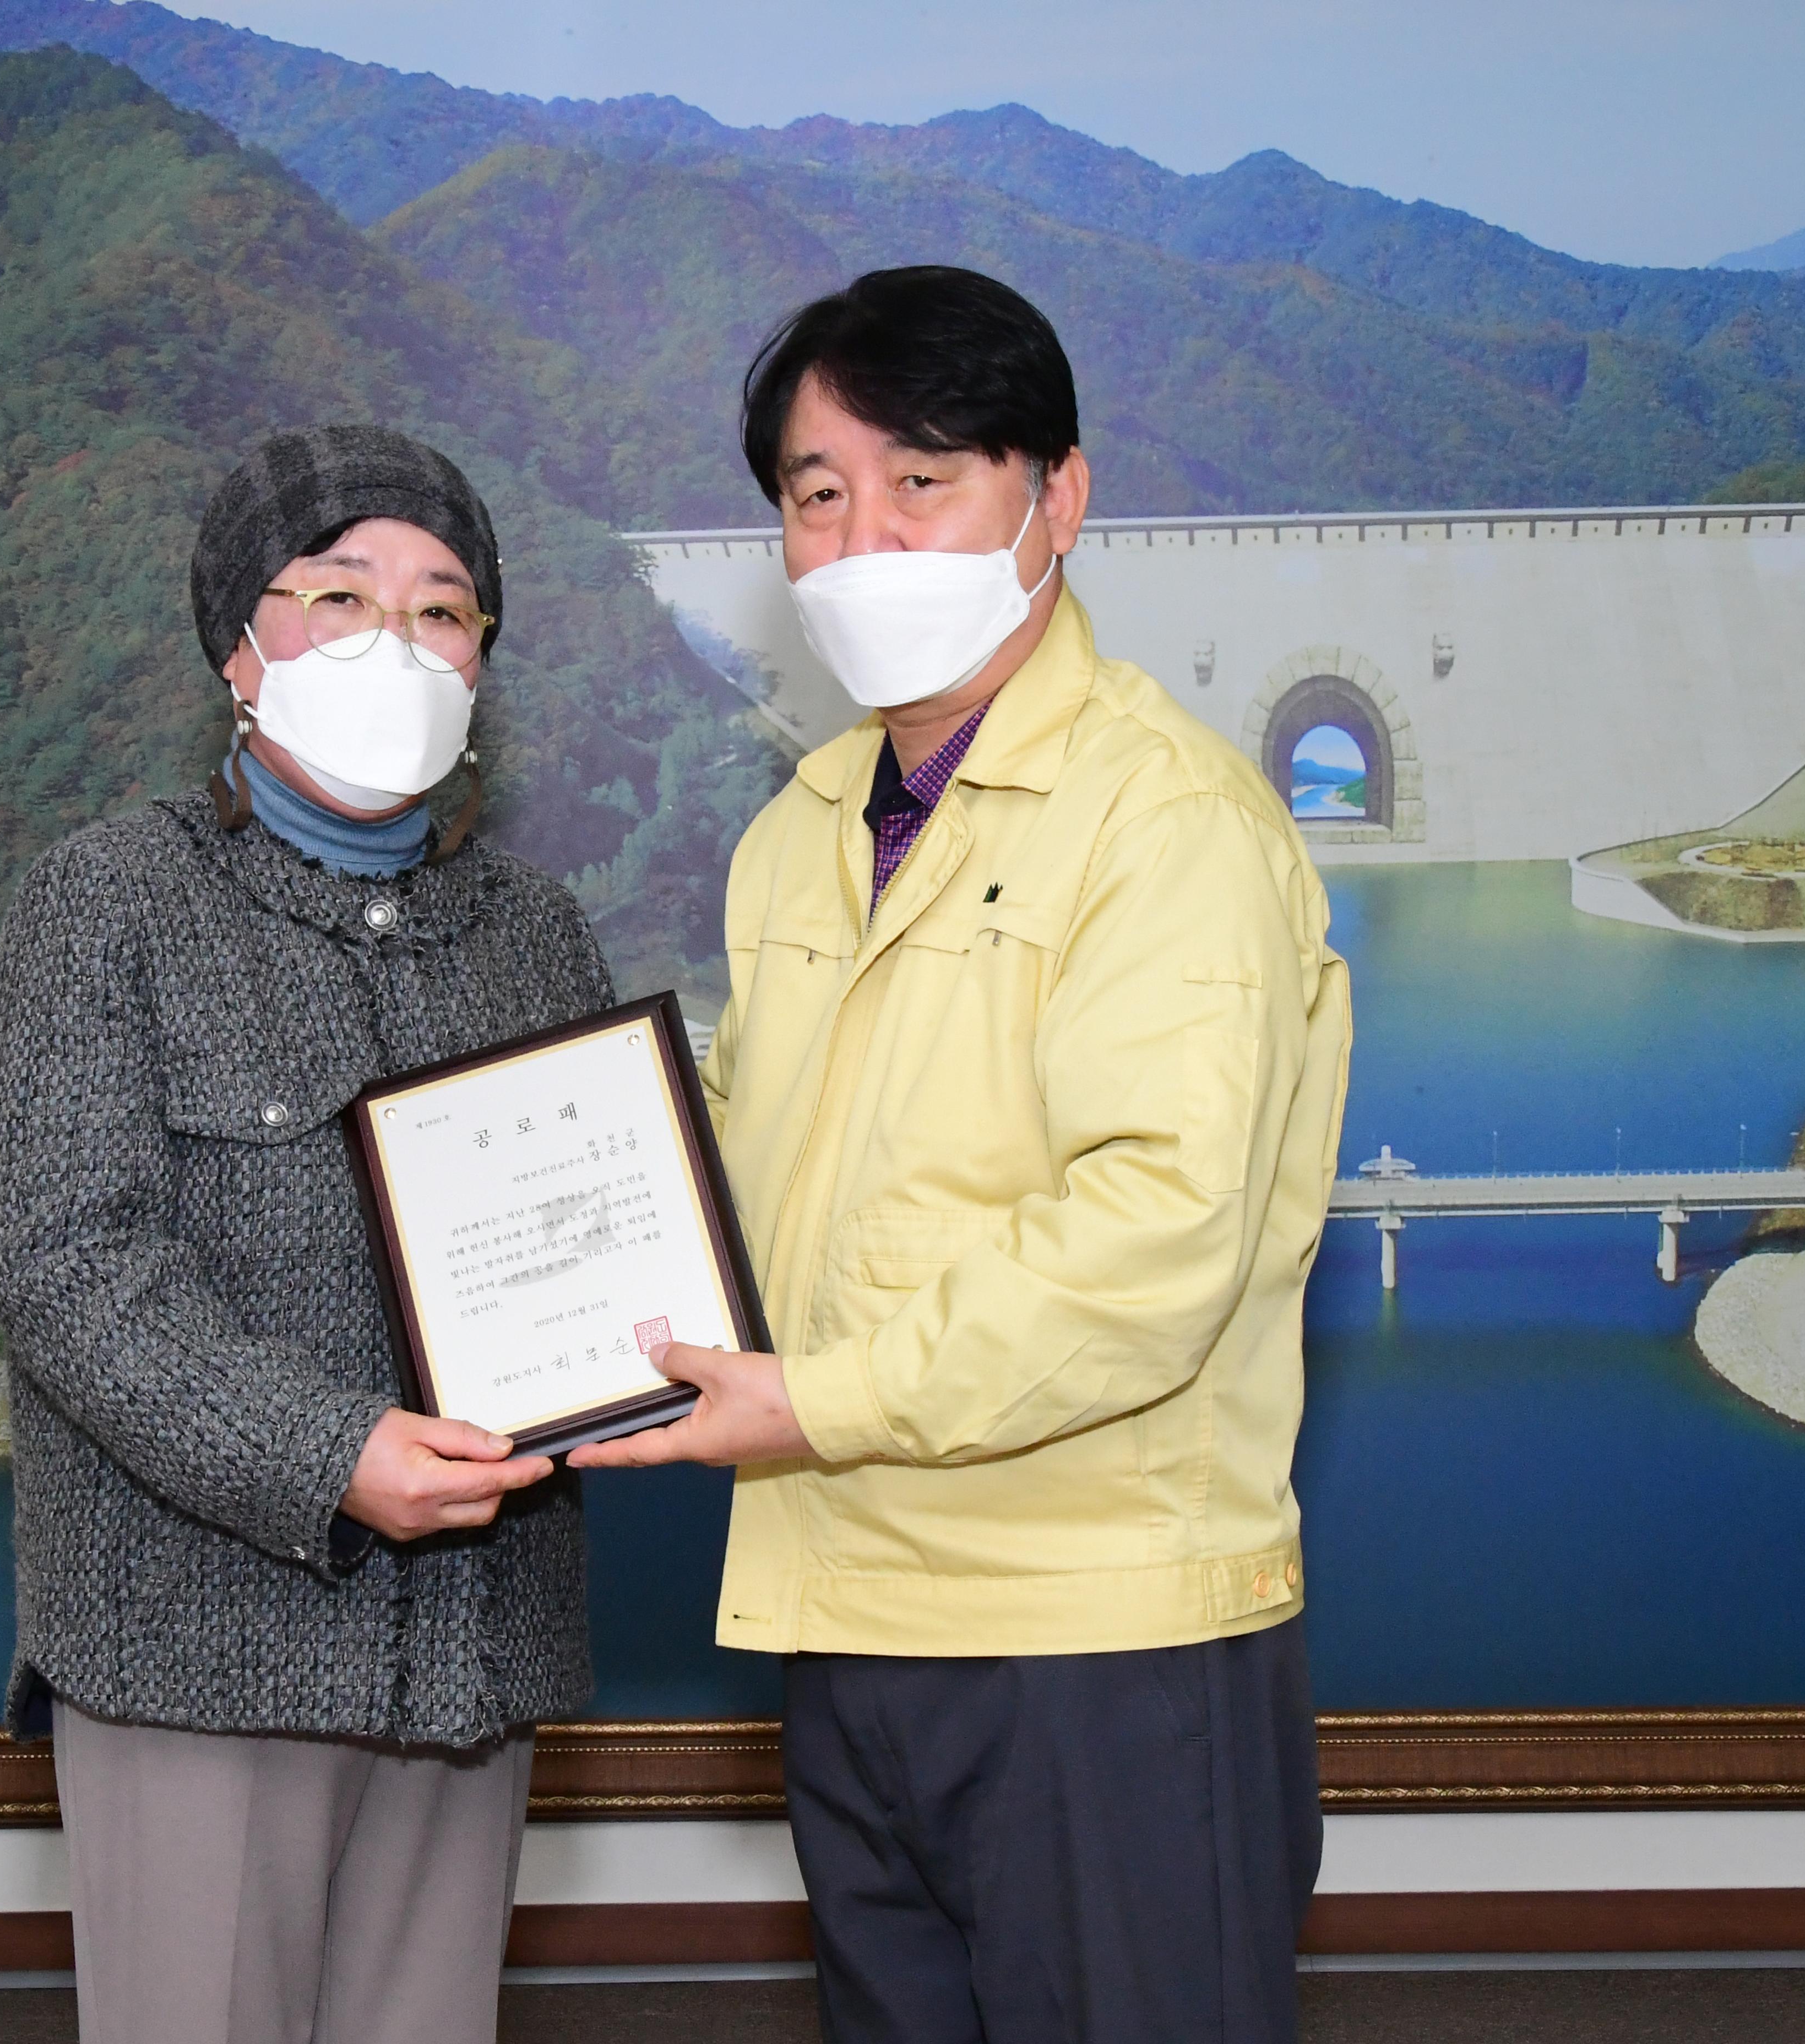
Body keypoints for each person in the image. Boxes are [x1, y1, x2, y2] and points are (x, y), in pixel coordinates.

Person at [574, 268, 1354, 2043]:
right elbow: (782, 1193)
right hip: (851, 1615)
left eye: (923, 479)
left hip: (1099, 1633)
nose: (864, 540)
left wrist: (814, 1403)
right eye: (816, 493)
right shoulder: (800, 835)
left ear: (1053, 499)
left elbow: (1150, 1246)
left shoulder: (1167, 823)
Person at [0, 425, 611, 2044]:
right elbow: (73, 1270)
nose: (396, 643)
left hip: (473, 1655)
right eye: (339, 596)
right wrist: (332, 1452)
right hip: (199, 1649)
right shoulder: (111, 898)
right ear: (239, 652)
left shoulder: (539, 936)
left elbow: (605, 1241)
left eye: (445, 609)